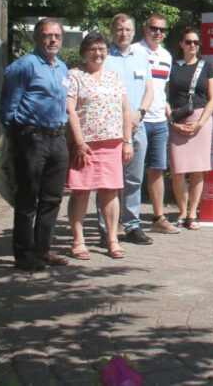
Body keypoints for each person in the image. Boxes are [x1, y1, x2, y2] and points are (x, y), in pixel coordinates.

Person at [0, 18, 72, 271]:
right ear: (36, 38)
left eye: (57, 36)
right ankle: (23, 255)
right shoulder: (23, 67)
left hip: (57, 138)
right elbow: (8, 110)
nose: (53, 40)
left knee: (52, 199)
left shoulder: (62, 68)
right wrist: (20, 139)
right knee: (27, 199)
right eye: (47, 36)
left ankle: (43, 250)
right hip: (31, 139)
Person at [65, 32, 132, 260]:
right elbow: (70, 110)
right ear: (84, 53)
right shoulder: (74, 76)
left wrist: (127, 141)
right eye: (93, 49)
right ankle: (78, 241)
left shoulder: (114, 77)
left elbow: (125, 110)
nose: (98, 53)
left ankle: (112, 240)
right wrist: (79, 142)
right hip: (86, 145)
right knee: (81, 191)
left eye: (101, 49)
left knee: (111, 192)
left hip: (112, 143)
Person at [103, 14, 155, 246]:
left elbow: (150, 89)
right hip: (111, 128)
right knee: (109, 181)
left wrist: (139, 113)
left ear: (134, 31)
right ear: (112, 31)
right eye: (119, 29)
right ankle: (106, 229)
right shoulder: (103, 56)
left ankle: (132, 226)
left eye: (128, 29)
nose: (124, 33)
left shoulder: (142, 56)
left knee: (134, 179)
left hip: (137, 126)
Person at [166, 27, 213, 230]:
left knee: (198, 170)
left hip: (200, 119)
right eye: (188, 42)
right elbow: (165, 96)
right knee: (178, 170)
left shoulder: (207, 66)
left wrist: (200, 123)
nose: (193, 46)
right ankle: (181, 211)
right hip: (178, 119)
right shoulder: (173, 66)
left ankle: (192, 213)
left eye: (196, 42)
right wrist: (171, 120)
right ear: (181, 44)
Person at [136, 13, 179, 234]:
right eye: (154, 28)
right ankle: (128, 220)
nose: (158, 33)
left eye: (162, 30)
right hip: (138, 120)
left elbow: (163, 89)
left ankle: (158, 217)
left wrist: (168, 113)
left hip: (160, 121)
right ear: (145, 29)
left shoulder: (166, 55)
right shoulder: (134, 51)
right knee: (132, 173)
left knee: (157, 170)